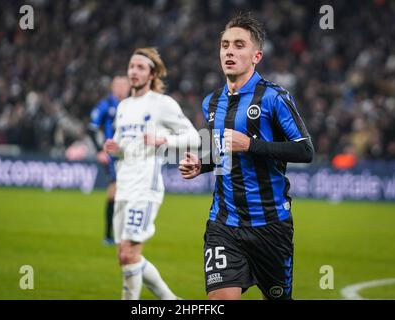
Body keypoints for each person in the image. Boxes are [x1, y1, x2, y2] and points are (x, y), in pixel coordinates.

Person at [179, 13, 314, 300]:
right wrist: (200, 165)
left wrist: (251, 145)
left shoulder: (274, 98)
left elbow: (305, 150)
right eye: (225, 45)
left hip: (271, 227)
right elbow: (222, 153)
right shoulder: (211, 102)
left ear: (256, 56)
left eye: (239, 45)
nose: (229, 51)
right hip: (223, 224)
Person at [104, 47, 200, 300]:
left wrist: (162, 139)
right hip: (124, 187)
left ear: (152, 74)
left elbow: (193, 137)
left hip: (145, 189)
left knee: (129, 255)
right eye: (131, 66)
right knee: (124, 257)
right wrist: (115, 148)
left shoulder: (162, 104)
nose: (134, 72)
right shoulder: (124, 106)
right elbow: (124, 145)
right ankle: (172, 301)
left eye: (140, 68)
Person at [87, 75, 130, 245]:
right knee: (114, 191)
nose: (121, 88)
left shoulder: (132, 104)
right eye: (118, 85)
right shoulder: (106, 104)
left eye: (123, 85)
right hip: (112, 156)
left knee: (125, 193)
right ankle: (109, 234)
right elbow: (91, 128)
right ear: (113, 87)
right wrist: (99, 150)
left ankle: (120, 232)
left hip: (129, 156)